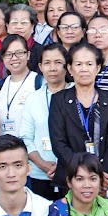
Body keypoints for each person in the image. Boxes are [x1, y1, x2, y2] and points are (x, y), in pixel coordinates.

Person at [49, 42, 108, 199]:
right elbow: (58, 144)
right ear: (70, 69)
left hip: (107, 179)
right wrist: (84, 175)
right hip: (71, 178)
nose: (84, 69)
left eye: (89, 64)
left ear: (98, 67)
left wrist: (101, 175)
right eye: (78, 64)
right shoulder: (59, 100)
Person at [20, 42, 70, 200]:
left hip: (74, 173)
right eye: (47, 63)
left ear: (67, 66)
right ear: (40, 67)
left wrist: (66, 166)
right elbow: (25, 137)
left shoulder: (78, 94)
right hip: (40, 174)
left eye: (58, 62)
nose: (53, 68)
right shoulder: (33, 99)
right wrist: (42, 163)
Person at [0, 35, 39, 139]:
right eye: (8, 54)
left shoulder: (38, 82)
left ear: (28, 55)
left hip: (30, 150)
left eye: (19, 53)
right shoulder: (1, 84)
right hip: (4, 149)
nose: (14, 58)